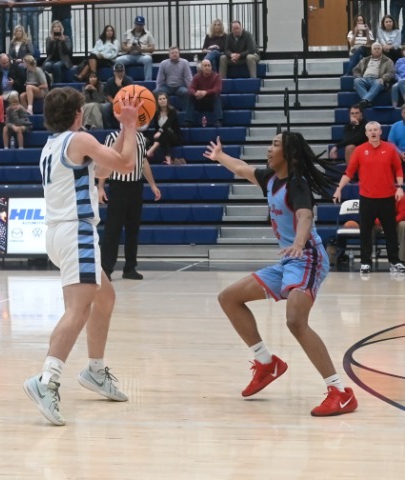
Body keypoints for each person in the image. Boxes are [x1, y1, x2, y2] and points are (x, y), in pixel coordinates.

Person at [204, 130, 359, 417]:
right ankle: (266, 363)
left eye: (275, 144)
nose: (268, 149)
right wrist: (220, 156)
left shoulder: (297, 184)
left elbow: (304, 215)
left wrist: (299, 242)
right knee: (229, 298)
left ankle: (340, 392)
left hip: (308, 257)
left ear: (289, 154)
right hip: (289, 260)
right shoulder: (270, 178)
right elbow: (242, 168)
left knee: (296, 321)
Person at [23, 87, 140, 426]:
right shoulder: (79, 139)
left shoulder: (53, 145)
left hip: (59, 233)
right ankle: (46, 380)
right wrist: (131, 126)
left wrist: (122, 131)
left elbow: (103, 170)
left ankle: (95, 371)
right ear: (78, 114)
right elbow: (126, 164)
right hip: (76, 233)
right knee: (78, 310)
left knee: (105, 297)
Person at [333, 121, 405, 274]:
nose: (373, 132)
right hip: (367, 198)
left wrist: (399, 187)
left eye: (375, 130)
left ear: (380, 132)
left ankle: (394, 261)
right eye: (370, 130)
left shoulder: (390, 149)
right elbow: (349, 172)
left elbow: (398, 170)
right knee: (365, 231)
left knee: (390, 232)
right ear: (366, 133)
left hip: (387, 198)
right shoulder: (359, 150)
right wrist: (339, 189)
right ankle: (365, 262)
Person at [99, 128, 160, 281]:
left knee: (133, 229)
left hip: (136, 186)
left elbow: (143, 161)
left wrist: (152, 184)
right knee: (113, 229)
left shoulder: (140, 137)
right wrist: (100, 187)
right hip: (118, 185)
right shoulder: (112, 137)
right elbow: (105, 162)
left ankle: (130, 267)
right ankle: (106, 268)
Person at [353, 42, 395, 109]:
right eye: (375, 49)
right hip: (364, 79)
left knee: (378, 82)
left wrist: (383, 78)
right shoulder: (365, 60)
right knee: (356, 81)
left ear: (382, 50)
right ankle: (367, 101)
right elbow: (356, 70)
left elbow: (391, 72)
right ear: (371, 51)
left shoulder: (388, 61)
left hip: (377, 80)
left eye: (378, 48)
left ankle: (365, 100)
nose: (377, 50)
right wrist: (359, 76)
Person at [146, 93, 183, 165]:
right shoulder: (156, 113)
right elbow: (156, 127)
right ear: (157, 101)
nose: (162, 100)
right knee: (164, 136)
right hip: (163, 138)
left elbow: (167, 124)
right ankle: (168, 161)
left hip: (175, 138)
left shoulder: (173, 111)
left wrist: (160, 131)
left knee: (165, 131)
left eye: (164, 98)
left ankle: (151, 151)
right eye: (160, 99)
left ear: (167, 100)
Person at [115, 16, 156, 81]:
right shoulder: (127, 32)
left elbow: (152, 48)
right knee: (118, 60)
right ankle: (120, 80)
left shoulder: (148, 34)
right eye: (137, 24)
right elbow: (122, 46)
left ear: (143, 25)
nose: (139, 26)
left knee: (148, 59)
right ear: (134, 24)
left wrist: (141, 49)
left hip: (142, 56)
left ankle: (148, 81)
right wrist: (130, 48)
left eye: (140, 25)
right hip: (129, 55)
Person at [186, 58, 224, 127]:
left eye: (209, 65)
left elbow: (218, 89)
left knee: (216, 96)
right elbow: (191, 88)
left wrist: (205, 92)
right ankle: (188, 121)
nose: (207, 67)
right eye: (205, 66)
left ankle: (219, 120)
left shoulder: (216, 77)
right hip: (200, 101)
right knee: (190, 96)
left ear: (211, 67)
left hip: (211, 103)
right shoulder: (197, 76)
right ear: (201, 68)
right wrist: (195, 93)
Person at [155, 46, 192, 114]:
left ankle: (186, 114)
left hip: (180, 86)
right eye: (172, 53)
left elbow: (188, 77)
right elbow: (160, 79)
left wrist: (191, 89)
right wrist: (158, 89)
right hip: (167, 86)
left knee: (187, 93)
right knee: (156, 92)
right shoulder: (163, 63)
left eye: (176, 52)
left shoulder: (185, 62)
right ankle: (159, 113)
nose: (174, 54)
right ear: (169, 54)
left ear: (179, 53)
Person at [102, 63, 133, 129]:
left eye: (121, 71)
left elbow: (130, 95)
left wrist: (120, 87)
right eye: (118, 71)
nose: (120, 73)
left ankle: (128, 127)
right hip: (113, 102)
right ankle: (108, 128)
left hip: (126, 102)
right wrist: (115, 103)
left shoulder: (129, 81)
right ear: (114, 72)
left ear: (124, 71)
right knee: (105, 107)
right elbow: (108, 95)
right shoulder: (110, 81)